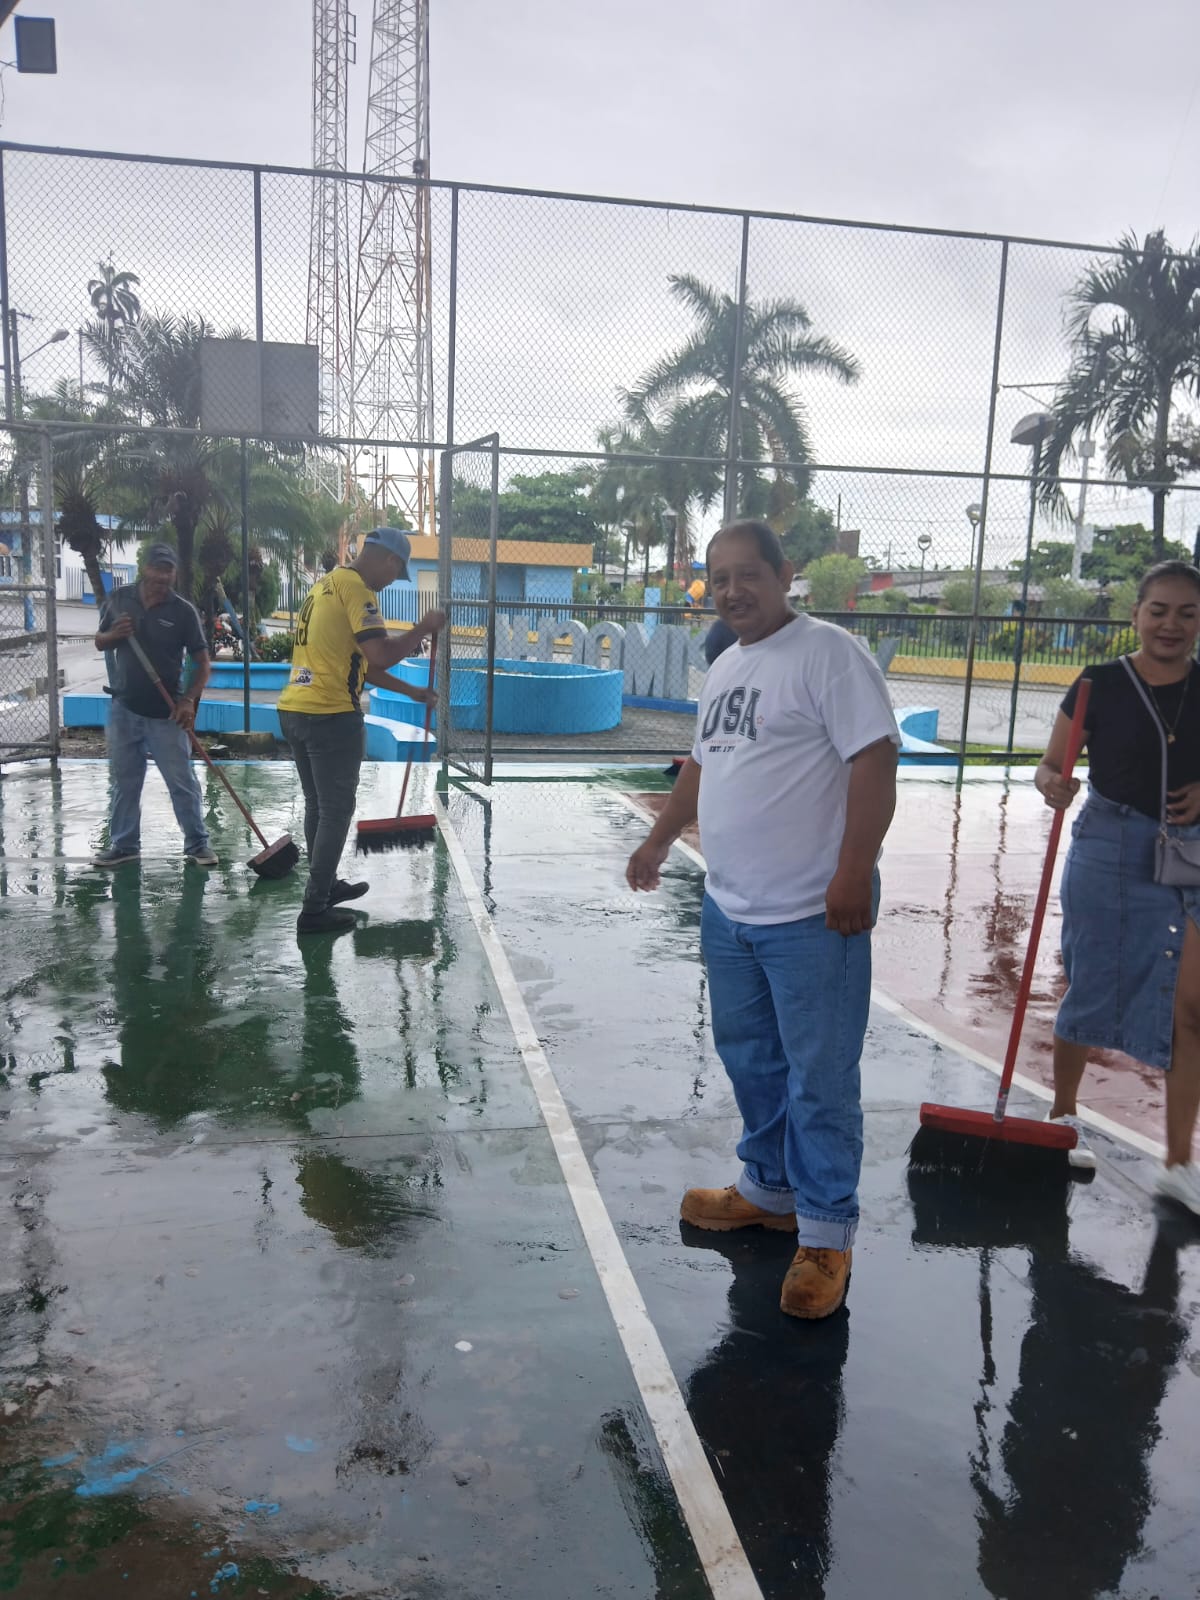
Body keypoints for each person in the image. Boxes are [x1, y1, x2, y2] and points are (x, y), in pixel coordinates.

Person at [626, 519, 900, 1320]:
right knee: (751, 1060)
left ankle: (826, 1233)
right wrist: (659, 839)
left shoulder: (828, 655)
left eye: (749, 573)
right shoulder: (727, 665)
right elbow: (701, 767)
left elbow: (875, 760)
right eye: (720, 578)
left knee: (820, 1077)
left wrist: (852, 871)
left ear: (785, 576)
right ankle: (770, 1190)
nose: (733, 590)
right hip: (730, 908)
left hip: (813, 914)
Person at [1037, 559, 1200, 1215]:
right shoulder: (1096, 684)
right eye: (1158, 610)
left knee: (1191, 1005)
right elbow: (1052, 764)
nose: (1171, 624)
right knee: (1090, 979)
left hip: (1189, 852)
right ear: (1136, 615)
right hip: (1109, 846)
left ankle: (1179, 1162)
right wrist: (1053, 783)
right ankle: (1063, 1115)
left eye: (1187, 613)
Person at [277, 528, 445, 937]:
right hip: (330, 715)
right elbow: (381, 654)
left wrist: (412, 692)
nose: (390, 584)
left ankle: (325, 884)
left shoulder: (326, 585)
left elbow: (362, 665)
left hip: (295, 708)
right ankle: (314, 910)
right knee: (335, 811)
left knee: (318, 806)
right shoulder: (358, 590)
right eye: (396, 574)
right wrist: (423, 628)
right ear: (390, 560)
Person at [91, 542, 216, 868]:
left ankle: (197, 844)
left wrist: (188, 701)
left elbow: (203, 665)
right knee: (125, 782)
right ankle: (124, 845)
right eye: (157, 571)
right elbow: (100, 641)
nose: (162, 579)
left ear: (174, 574)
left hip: (166, 714)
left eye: (168, 573)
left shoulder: (183, 612)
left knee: (182, 783)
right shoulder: (120, 600)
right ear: (145, 569)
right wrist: (115, 634)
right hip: (124, 708)